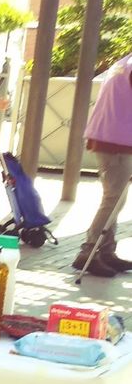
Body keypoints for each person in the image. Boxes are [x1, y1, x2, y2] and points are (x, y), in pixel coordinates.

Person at [72, 51, 132, 276]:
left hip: (107, 136)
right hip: (118, 140)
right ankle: (89, 251)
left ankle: (106, 250)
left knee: (115, 197)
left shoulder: (123, 63)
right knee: (113, 199)